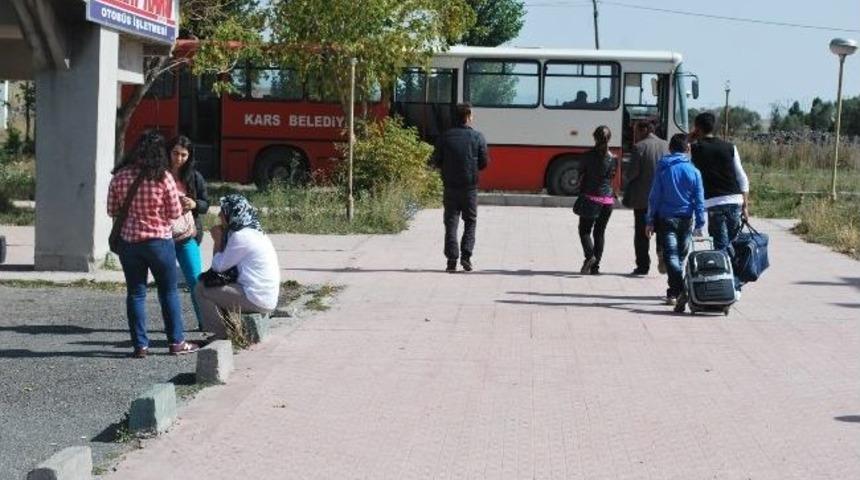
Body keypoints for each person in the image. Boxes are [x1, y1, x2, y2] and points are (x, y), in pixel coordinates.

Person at [107, 131, 199, 358]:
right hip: (159, 243)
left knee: (136, 294)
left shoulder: (120, 176)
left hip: (129, 243)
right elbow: (175, 212)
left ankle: (140, 346)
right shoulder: (164, 177)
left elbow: (112, 210)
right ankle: (176, 343)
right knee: (168, 292)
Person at [195, 194, 280, 340]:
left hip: (257, 298)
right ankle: (231, 329)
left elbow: (218, 268)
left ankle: (221, 336)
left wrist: (217, 241)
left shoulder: (241, 236)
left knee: (201, 289)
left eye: (223, 211)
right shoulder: (254, 231)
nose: (219, 215)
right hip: (263, 295)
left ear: (232, 214)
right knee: (215, 286)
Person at [689, 112, 750, 294]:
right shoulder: (730, 147)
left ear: (697, 128)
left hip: (714, 203)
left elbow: (677, 148)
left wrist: (689, 137)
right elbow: (742, 177)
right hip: (735, 201)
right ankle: (735, 283)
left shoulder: (695, 148)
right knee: (732, 244)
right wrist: (746, 205)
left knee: (721, 247)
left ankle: (727, 287)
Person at [645, 133, 705, 305]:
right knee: (679, 257)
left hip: (666, 218)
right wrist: (700, 222)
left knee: (671, 255)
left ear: (670, 148)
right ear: (688, 149)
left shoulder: (663, 168)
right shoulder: (694, 172)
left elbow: (654, 196)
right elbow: (699, 200)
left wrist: (649, 220)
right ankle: (677, 291)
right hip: (686, 219)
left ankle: (676, 291)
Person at [431, 102, 489, 272]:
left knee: (451, 222)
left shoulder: (444, 137)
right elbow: (484, 163)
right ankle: (466, 256)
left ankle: (451, 260)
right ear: (468, 116)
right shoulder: (478, 137)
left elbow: (436, 161)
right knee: (470, 221)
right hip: (469, 188)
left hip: (450, 186)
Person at [167, 136, 209, 329]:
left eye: (184, 154)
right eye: (176, 153)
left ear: (189, 156)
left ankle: (205, 322)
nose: (179, 158)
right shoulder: (160, 174)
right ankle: (172, 327)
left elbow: (205, 204)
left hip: (186, 234)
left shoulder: (194, 177)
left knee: (194, 279)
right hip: (162, 234)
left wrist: (194, 204)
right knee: (166, 284)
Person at [624, 121, 669, 275]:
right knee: (662, 230)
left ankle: (643, 266)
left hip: (643, 199)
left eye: (635, 131)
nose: (634, 134)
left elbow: (631, 174)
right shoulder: (666, 145)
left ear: (643, 130)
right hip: (663, 199)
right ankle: (662, 253)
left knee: (642, 234)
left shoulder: (639, 147)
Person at [576, 126, 618, 275]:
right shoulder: (614, 158)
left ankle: (590, 257)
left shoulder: (587, 156)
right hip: (607, 201)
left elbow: (580, 174)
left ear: (594, 137)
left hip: (590, 199)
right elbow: (611, 178)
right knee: (599, 233)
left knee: (584, 230)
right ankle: (595, 267)